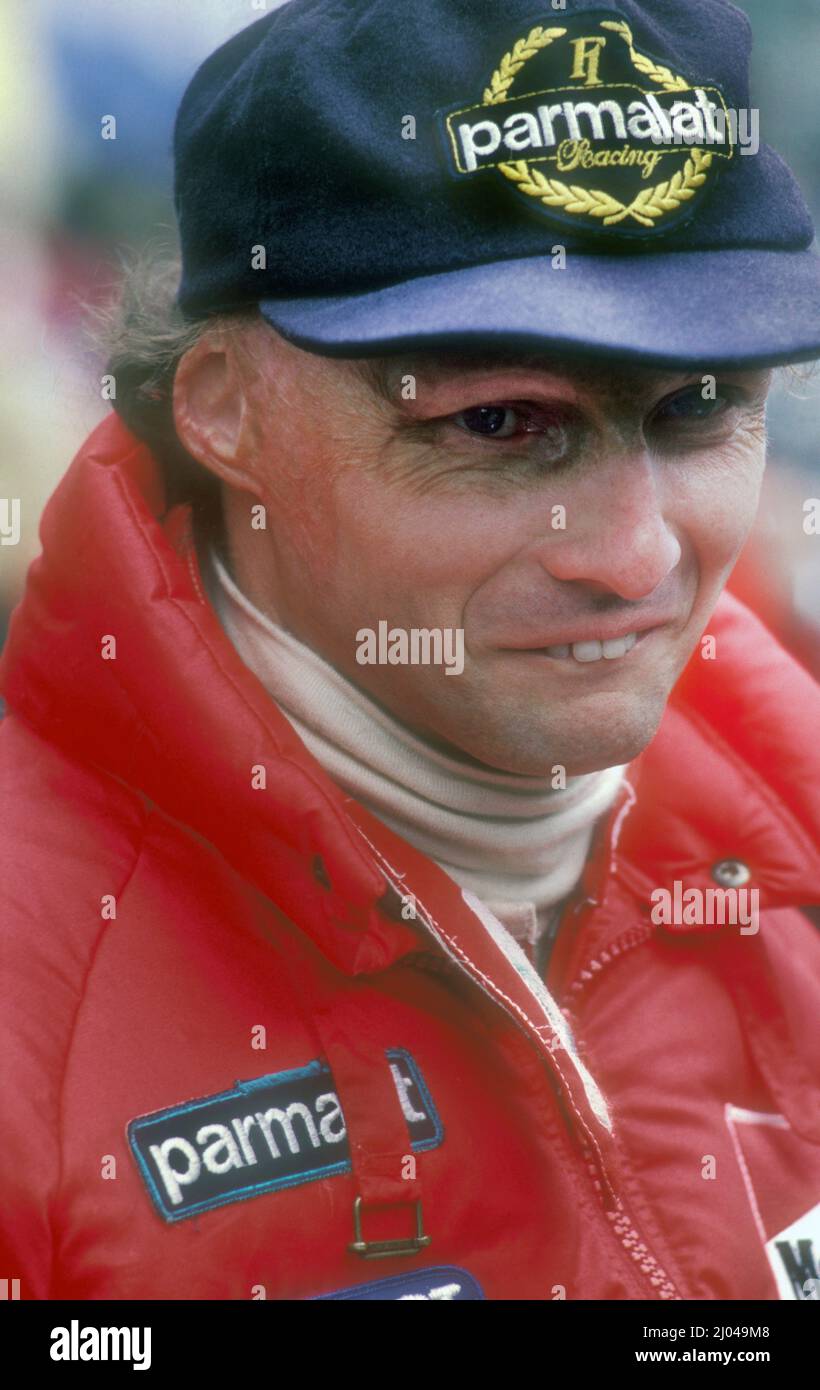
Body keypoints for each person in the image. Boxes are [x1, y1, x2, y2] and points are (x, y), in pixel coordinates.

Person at [2, 0, 820, 1303]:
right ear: (224, 406)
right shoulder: (31, 997)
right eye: (499, 423)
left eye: (699, 410)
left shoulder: (794, 857)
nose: (633, 555)